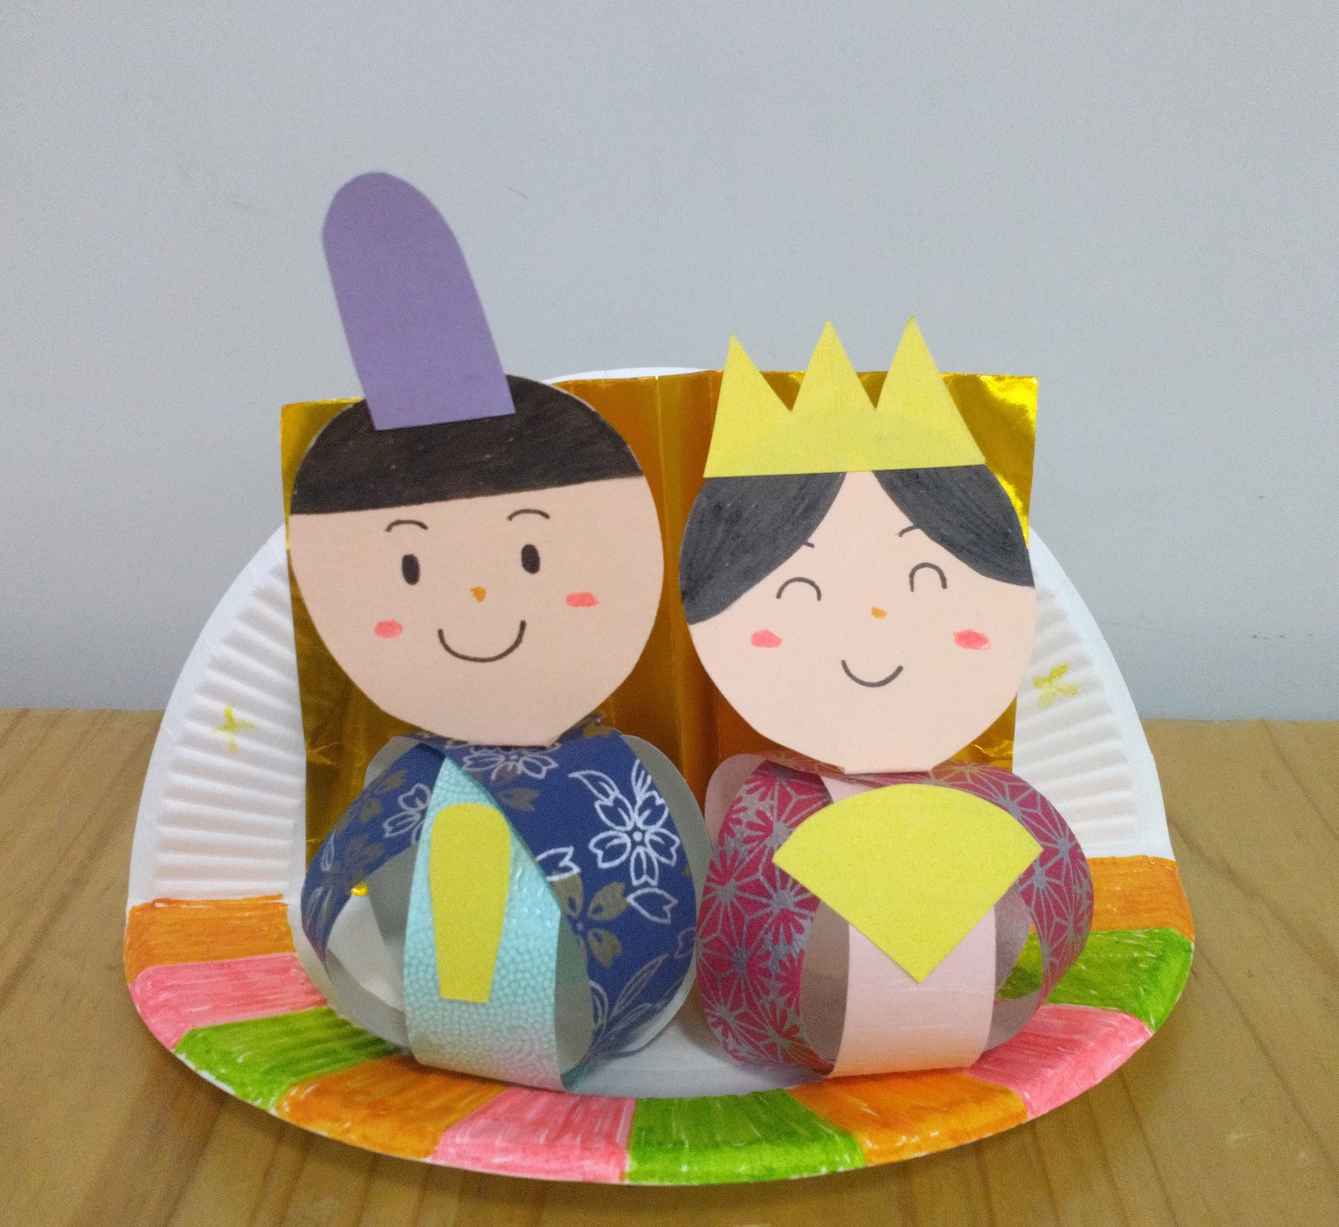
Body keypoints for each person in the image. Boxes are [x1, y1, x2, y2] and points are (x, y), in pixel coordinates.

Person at [292, 174, 706, 1091]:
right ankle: (480, 1024)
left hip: (610, 997)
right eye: (409, 566)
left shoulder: (610, 776)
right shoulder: (419, 779)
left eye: (528, 555)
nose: (478, 593)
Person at [679, 321, 1092, 1075]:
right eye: (802, 589)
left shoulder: (992, 814)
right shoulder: (768, 813)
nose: (873, 616)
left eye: (926, 578)